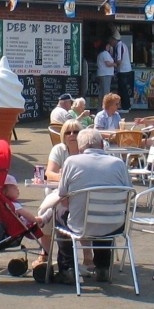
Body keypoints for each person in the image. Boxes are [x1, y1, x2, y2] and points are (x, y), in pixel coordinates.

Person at [55, 128, 134, 284]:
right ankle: (103, 267)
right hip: (114, 225)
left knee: (59, 212)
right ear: (102, 145)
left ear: (80, 147)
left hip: (79, 225)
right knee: (105, 216)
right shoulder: (118, 163)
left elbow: (63, 197)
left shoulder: (71, 162)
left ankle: (67, 268)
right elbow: (128, 196)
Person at [41, 118, 95, 276]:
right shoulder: (59, 150)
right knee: (45, 210)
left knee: (80, 211)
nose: (72, 135)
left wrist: (69, 178)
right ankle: (46, 253)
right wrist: (66, 179)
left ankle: (87, 256)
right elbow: (49, 173)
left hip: (82, 194)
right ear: (63, 135)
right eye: (68, 132)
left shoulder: (87, 150)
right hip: (61, 191)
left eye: (76, 132)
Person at [113, 35, 134, 111]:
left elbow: (119, 60)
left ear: (114, 40)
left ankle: (125, 107)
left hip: (123, 71)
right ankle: (126, 106)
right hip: (126, 70)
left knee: (123, 89)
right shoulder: (123, 45)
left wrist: (114, 65)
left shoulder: (119, 46)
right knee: (123, 89)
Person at [96, 38, 116, 108]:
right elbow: (108, 63)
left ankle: (100, 108)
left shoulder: (100, 54)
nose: (109, 47)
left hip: (102, 74)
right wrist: (115, 64)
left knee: (102, 92)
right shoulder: (105, 53)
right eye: (108, 46)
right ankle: (106, 108)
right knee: (106, 92)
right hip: (106, 74)